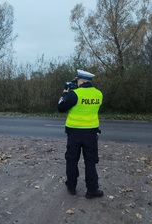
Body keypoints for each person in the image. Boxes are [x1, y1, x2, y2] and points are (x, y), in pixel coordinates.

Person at [57, 69, 103, 199]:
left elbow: (61, 108)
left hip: (74, 133)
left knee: (72, 160)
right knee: (90, 161)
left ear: (81, 80)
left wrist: (65, 94)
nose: (76, 83)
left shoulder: (74, 94)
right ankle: (92, 190)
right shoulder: (99, 94)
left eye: (77, 81)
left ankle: (71, 187)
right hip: (91, 133)